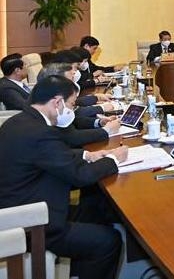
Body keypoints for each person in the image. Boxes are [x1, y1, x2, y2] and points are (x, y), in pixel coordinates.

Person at [0, 75, 128, 279]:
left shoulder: (20, 121)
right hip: (32, 222)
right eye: (71, 105)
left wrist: (89, 155)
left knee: (91, 204)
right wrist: (113, 159)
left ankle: (77, 266)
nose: (72, 110)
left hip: (20, 201)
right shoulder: (40, 132)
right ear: (57, 102)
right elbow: (80, 176)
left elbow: (50, 155)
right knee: (108, 242)